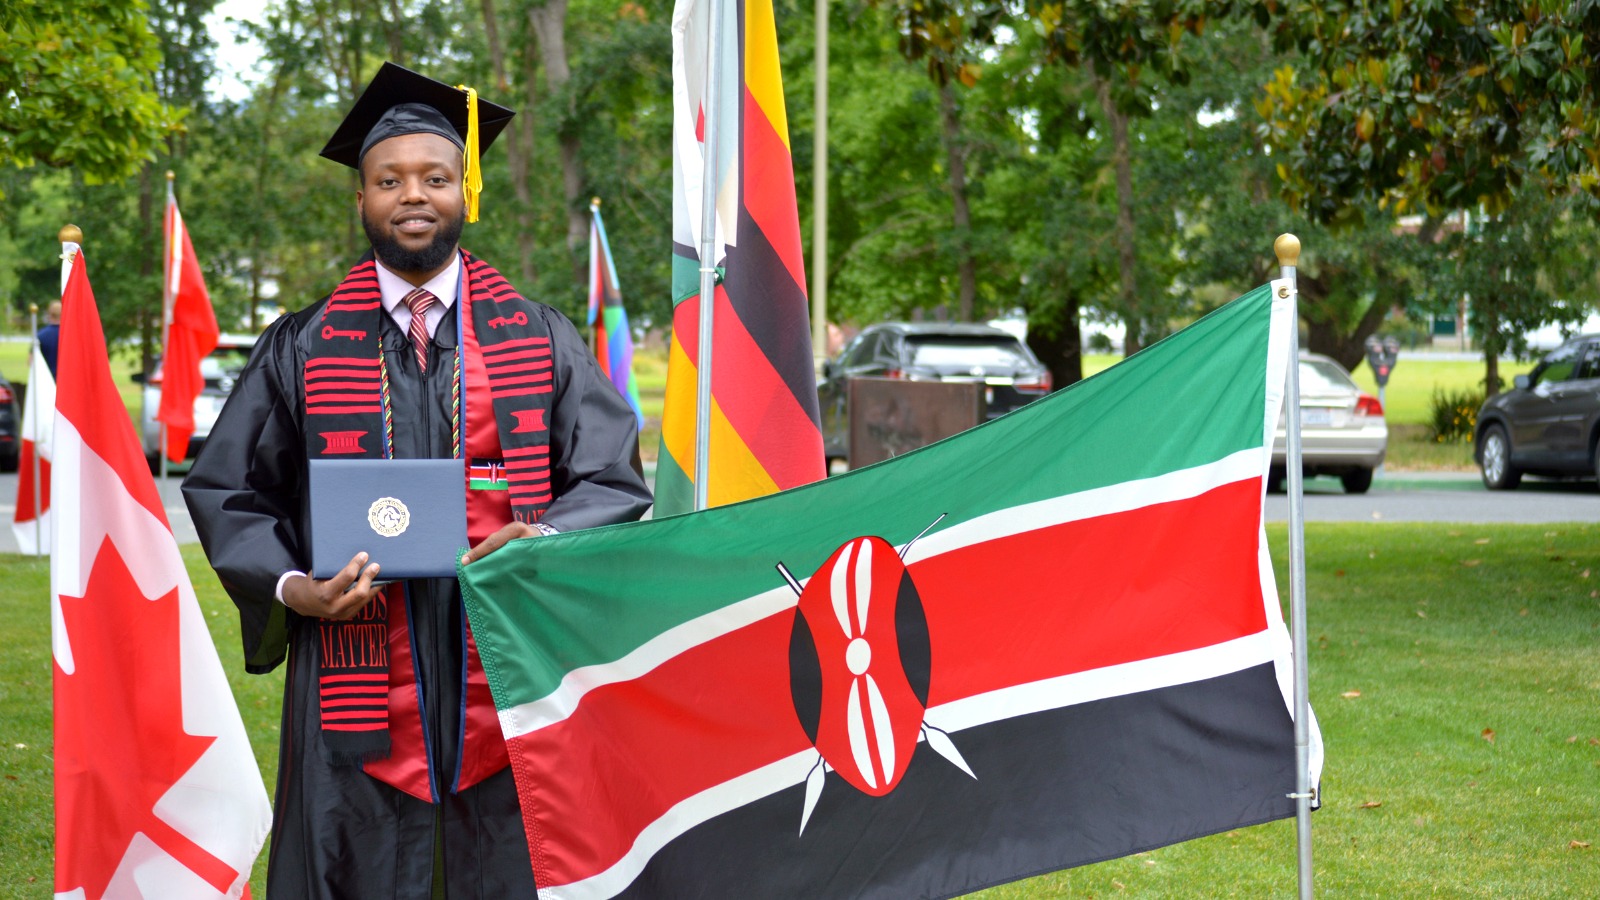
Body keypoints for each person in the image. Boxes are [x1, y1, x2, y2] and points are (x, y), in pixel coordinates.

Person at [183, 63, 652, 899]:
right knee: (356, 861)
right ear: (359, 198)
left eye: (436, 177)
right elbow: (228, 488)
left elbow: (610, 475)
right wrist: (296, 588)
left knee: (512, 862)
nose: (413, 195)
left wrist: (541, 539)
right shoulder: (304, 344)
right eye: (387, 179)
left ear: (465, 194)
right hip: (354, 668)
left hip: (505, 657)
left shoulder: (535, 338)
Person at [36, 301, 60, 377]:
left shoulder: (40, 335)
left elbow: (31, 361)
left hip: (46, 379)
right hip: (67, 381)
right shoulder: (71, 335)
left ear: (50, 314)